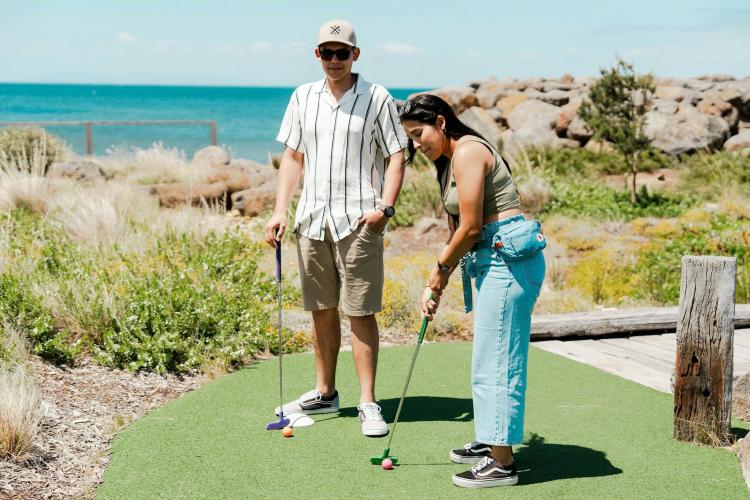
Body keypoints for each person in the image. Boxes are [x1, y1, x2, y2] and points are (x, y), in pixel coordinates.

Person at [264, 19, 407, 437]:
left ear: (355, 55)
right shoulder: (302, 97)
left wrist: (385, 208)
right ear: (317, 55)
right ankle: (326, 393)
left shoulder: (377, 97)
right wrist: (279, 210)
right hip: (311, 219)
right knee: (320, 308)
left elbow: (397, 155)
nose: (334, 60)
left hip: (360, 220)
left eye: (341, 53)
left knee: (360, 310)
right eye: (326, 52)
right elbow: (293, 158)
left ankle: (368, 402)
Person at [399, 94, 546, 487]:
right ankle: (491, 438)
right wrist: (440, 283)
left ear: (442, 123)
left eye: (419, 133)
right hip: (492, 261)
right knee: (488, 354)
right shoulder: (450, 162)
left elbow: (472, 228)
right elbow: (459, 229)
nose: (417, 144)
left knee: (497, 361)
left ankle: (502, 464)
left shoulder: (467, 152)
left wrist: (439, 270)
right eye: (410, 138)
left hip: (507, 259)